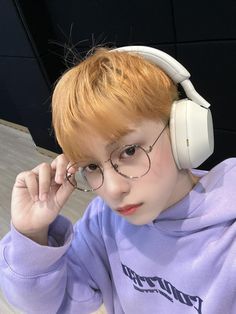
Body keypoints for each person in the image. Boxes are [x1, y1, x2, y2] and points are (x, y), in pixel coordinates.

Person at [0, 45, 235, 314]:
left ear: (183, 132)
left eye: (129, 151)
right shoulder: (104, 221)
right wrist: (32, 236)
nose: (112, 190)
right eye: (91, 166)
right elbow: (53, 306)